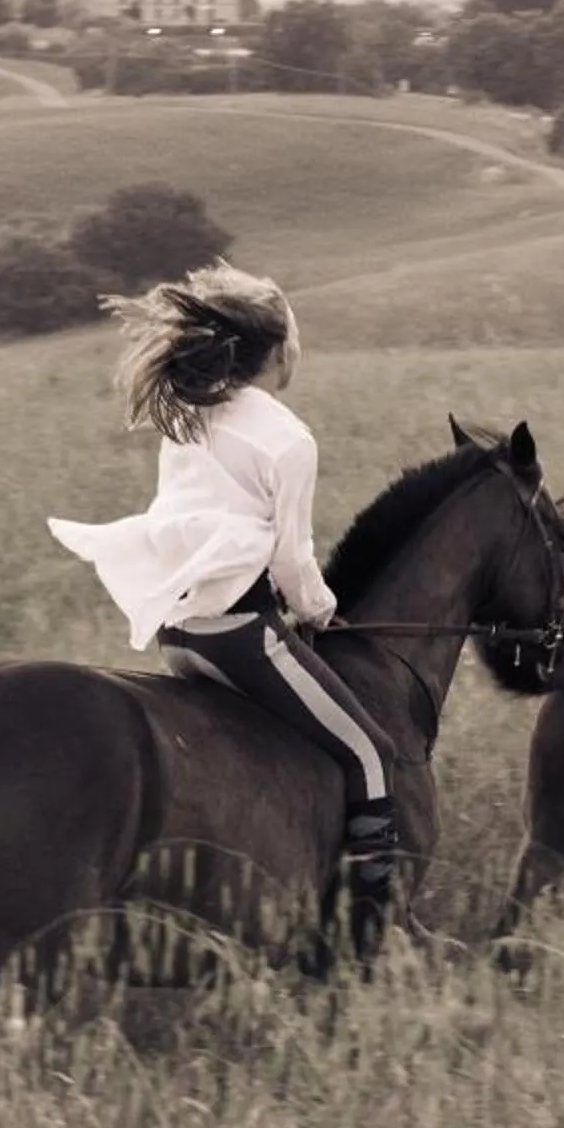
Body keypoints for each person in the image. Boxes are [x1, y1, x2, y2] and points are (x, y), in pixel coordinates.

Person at [46, 262, 403, 938]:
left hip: (179, 635)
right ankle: (368, 924)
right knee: (368, 751)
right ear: (277, 350)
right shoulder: (289, 439)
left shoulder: (189, 417)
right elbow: (292, 559)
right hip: (241, 634)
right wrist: (322, 610)